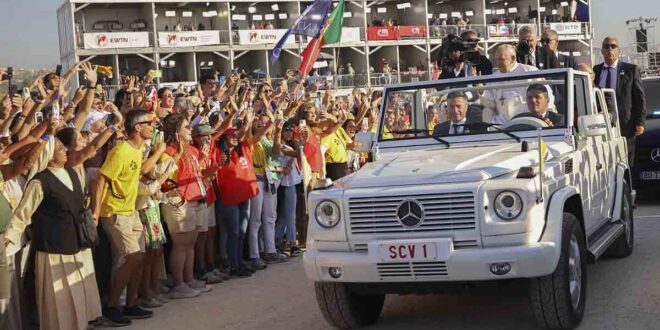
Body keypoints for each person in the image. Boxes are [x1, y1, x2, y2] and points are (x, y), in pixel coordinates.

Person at [5, 136, 102, 330]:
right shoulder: (40, 182)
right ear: (48, 154)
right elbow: (23, 214)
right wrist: (8, 238)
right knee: (60, 306)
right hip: (54, 251)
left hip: (78, 245)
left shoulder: (72, 173)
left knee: (79, 299)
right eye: (58, 148)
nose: (65, 150)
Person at [92, 110, 165, 325]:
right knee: (133, 256)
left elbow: (141, 170)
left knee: (140, 256)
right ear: (137, 128)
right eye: (148, 123)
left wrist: (158, 151)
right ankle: (112, 306)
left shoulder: (138, 147)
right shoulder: (120, 151)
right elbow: (101, 180)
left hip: (131, 211)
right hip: (114, 212)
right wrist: (96, 211)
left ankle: (130, 304)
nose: (152, 126)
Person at [593, 36, 647, 165]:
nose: (609, 49)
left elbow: (639, 98)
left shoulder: (631, 70)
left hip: (625, 126)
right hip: (601, 127)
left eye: (613, 46)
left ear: (618, 50)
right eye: (606, 46)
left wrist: (640, 122)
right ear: (602, 51)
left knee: (625, 164)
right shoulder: (596, 71)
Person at [482, 44, 539, 124]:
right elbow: (488, 105)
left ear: (513, 58)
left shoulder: (530, 72)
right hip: (501, 127)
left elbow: (545, 98)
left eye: (501, 59)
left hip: (526, 124)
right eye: (496, 60)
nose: (498, 63)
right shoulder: (493, 79)